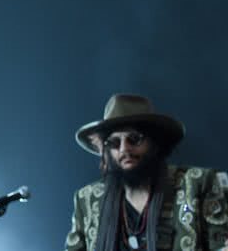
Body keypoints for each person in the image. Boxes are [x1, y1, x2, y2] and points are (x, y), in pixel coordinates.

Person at [65, 93, 228, 251]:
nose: (124, 149)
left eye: (135, 139)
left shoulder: (199, 185)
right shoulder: (86, 200)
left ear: (155, 142)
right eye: (114, 142)